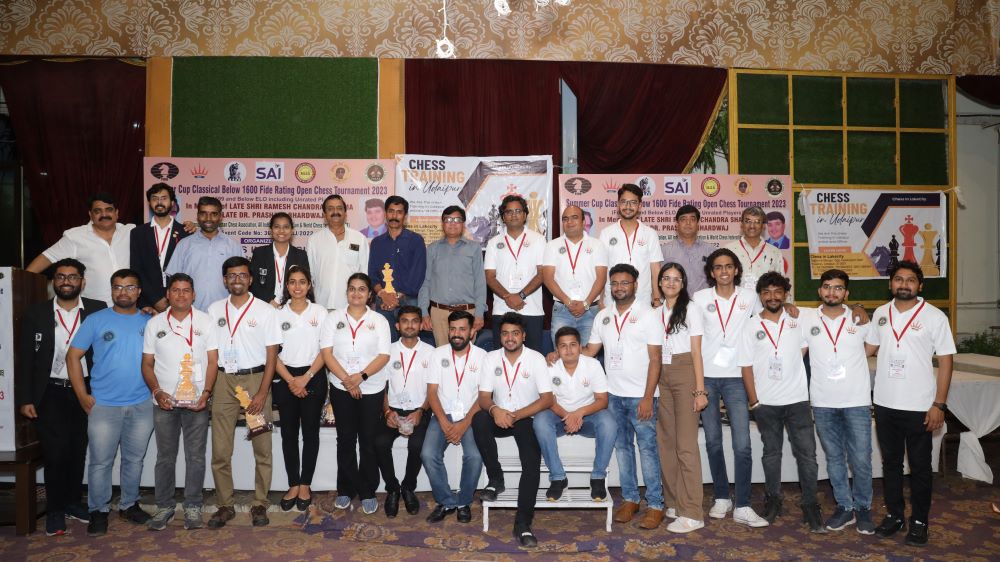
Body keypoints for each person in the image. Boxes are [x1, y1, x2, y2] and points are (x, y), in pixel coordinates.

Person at [864, 261, 955, 547]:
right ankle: (894, 515)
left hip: (920, 406)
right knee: (890, 464)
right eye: (899, 279)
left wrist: (939, 404)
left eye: (910, 280)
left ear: (920, 285)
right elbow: (866, 350)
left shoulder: (934, 316)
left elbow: (946, 362)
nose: (904, 284)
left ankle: (919, 521)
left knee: (920, 467)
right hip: (885, 403)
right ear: (890, 283)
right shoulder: (881, 313)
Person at [15, 258, 105, 536]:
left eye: (73, 277)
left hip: (86, 391)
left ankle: (72, 503)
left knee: (78, 449)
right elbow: (25, 358)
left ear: (82, 282)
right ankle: (55, 510)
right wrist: (25, 398)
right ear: (53, 281)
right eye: (61, 276)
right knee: (55, 452)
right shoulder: (37, 313)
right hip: (50, 391)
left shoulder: (97, 309)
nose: (67, 281)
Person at [65, 269, 154, 536]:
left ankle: (129, 505)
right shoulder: (96, 320)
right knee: (100, 462)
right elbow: (72, 356)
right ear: (112, 290)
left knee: (134, 460)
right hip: (103, 405)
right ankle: (98, 510)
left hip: (142, 403)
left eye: (130, 287)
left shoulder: (151, 321)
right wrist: (82, 395)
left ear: (139, 291)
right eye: (118, 287)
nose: (123, 292)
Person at [738, 272, 825, 533]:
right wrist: (754, 402)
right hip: (766, 403)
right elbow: (745, 366)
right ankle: (773, 499)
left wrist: (858, 307)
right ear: (760, 296)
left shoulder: (798, 319)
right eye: (766, 292)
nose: (772, 297)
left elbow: (831, 308)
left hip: (798, 401)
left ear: (786, 294)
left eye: (778, 292)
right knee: (771, 454)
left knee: (807, 455)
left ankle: (810, 504)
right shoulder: (751, 326)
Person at [692, 248, 768, 527]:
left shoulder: (750, 297)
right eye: (718, 267)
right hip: (707, 378)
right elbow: (692, 337)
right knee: (713, 441)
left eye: (728, 266)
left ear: (736, 270)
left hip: (737, 377)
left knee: (742, 444)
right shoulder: (700, 298)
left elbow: (767, 321)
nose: (723, 271)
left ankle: (743, 505)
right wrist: (698, 385)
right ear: (711, 273)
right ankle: (722, 496)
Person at [585, 264, 665, 529]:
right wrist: (560, 355)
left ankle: (655, 504)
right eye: (615, 283)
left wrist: (648, 396)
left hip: (641, 396)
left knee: (647, 449)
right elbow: (590, 351)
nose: (619, 287)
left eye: (625, 283)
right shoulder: (603, 316)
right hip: (613, 396)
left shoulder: (649, 315)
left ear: (636, 285)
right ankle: (631, 499)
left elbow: (656, 359)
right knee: (622, 448)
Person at [205, 256, 282, 528]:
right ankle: (225, 505)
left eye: (242, 275)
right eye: (232, 275)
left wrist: (262, 392)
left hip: (256, 380)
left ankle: (260, 503)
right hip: (224, 381)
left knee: (262, 448)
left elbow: (272, 356)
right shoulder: (214, 310)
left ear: (250, 279)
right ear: (224, 280)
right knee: (220, 450)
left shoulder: (266, 311)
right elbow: (211, 353)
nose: (237, 280)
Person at [140, 273, 219, 531]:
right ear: (168, 294)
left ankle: (193, 506)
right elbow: (147, 364)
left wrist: (206, 393)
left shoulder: (206, 322)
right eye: (175, 290)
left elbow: (213, 361)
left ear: (194, 295)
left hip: (197, 402)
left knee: (195, 457)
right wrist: (156, 392)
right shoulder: (155, 324)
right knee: (165, 457)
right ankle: (164, 506)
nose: (181, 295)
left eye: (186, 290)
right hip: (165, 402)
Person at [800, 269, 875, 534]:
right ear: (820, 290)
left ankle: (863, 508)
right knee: (834, 458)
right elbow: (796, 346)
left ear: (846, 293)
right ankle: (845, 506)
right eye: (827, 287)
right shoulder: (807, 318)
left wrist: (859, 307)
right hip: (822, 401)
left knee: (861, 458)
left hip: (856, 400)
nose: (832, 292)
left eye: (838, 288)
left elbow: (870, 349)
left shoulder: (860, 320)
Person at [473, 312, 553, 547]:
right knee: (479, 419)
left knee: (531, 463)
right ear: (500, 336)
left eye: (515, 333)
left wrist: (516, 415)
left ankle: (523, 524)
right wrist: (495, 410)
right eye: (505, 333)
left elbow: (547, 399)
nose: (510, 338)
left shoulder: (536, 359)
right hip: (499, 416)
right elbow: (483, 397)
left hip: (525, 417)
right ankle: (496, 478)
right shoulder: (491, 358)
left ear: (524, 336)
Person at [320, 273, 391, 514]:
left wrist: (360, 377)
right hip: (341, 387)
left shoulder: (379, 320)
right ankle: (345, 489)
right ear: (346, 292)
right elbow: (327, 353)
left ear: (370, 294)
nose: (356, 293)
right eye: (352, 288)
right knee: (346, 439)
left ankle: (368, 490)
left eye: (362, 289)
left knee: (368, 441)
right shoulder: (333, 318)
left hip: (371, 387)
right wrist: (348, 381)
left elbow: (384, 355)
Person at [654, 263, 708, 533]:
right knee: (667, 443)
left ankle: (693, 512)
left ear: (683, 283)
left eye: (677, 279)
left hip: (685, 370)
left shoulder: (691, 309)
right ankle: (675, 502)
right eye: (666, 278)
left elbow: (697, 352)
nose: (671, 283)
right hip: (662, 374)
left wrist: (700, 390)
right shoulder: (656, 312)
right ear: (659, 282)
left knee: (686, 446)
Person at [534, 327, 617, 502]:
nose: (569, 350)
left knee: (609, 422)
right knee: (540, 421)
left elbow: (602, 400)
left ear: (580, 347)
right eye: (563, 346)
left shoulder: (593, 365)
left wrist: (579, 413)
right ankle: (558, 478)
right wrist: (568, 416)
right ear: (557, 349)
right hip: (559, 417)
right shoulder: (549, 367)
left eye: (573, 345)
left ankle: (598, 477)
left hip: (587, 417)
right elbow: (548, 401)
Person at [420, 311, 487, 525]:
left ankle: (464, 502)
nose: (457, 334)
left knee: (474, 456)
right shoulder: (437, 354)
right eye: (453, 329)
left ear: (472, 331)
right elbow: (432, 393)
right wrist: (443, 421)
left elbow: (484, 396)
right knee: (428, 454)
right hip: (442, 413)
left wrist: (464, 424)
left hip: (472, 415)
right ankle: (446, 501)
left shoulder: (483, 357)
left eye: (462, 329)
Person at [273, 266, 328, 512]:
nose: (297, 287)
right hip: (285, 377)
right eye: (293, 282)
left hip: (313, 376)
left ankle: (305, 484)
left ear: (309, 285)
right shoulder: (277, 314)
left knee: (310, 433)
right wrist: (291, 380)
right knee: (288, 434)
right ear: (287, 286)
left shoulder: (320, 312)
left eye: (302, 282)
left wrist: (305, 378)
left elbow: (326, 350)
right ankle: (293, 483)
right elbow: (271, 353)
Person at [374, 305, 435, 517]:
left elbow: (433, 389)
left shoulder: (431, 352)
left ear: (421, 325)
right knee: (380, 443)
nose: (410, 325)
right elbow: (381, 386)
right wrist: (387, 412)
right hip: (393, 409)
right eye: (405, 321)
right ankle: (392, 488)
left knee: (417, 445)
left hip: (419, 409)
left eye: (414, 321)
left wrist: (421, 411)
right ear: (397, 326)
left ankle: (408, 487)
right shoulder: (387, 351)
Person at [27, 193, 134, 305]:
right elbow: (47, 257)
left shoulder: (131, 232)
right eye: (97, 211)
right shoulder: (75, 237)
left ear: (117, 213)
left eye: (109, 210)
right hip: (94, 308)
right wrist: (21, 281)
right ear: (90, 215)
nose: (104, 214)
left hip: (130, 306)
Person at [484, 194, 546, 353]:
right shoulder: (493, 243)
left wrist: (521, 295)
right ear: (503, 217)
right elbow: (490, 277)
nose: (514, 215)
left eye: (518, 211)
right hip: (502, 310)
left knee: (533, 359)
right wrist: (508, 297)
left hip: (531, 310)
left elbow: (542, 274)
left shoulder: (538, 240)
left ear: (525, 215)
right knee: (502, 358)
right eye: (509, 212)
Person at [418, 206, 487, 346]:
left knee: (466, 355)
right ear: (442, 223)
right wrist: (424, 312)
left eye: (457, 220)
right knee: (442, 355)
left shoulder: (474, 248)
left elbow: (480, 282)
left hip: (467, 312)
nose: (452, 223)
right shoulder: (432, 248)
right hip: (439, 314)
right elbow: (426, 282)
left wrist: (479, 314)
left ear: (463, 224)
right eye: (448, 220)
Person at [542, 205, 609, 346]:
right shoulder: (552, 245)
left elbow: (601, 278)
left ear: (584, 222)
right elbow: (548, 278)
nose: (569, 222)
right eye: (565, 219)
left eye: (574, 218)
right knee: (562, 353)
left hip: (590, 310)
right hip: (562, 310)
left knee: (588, 355)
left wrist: (585, 304)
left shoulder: (597, 245)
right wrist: (568, 302)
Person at [166, 196, 244, 311]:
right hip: (191, 312)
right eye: (203, 213)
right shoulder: (184, 245)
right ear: (197, 216)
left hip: (225, 312)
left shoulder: (233, 246)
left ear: (221, 217)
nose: (208, 218)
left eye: (214, 214)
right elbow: (174, 281)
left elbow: (242, 281)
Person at [368, 196, 427, 340]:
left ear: (405, 216)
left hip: (409, 301)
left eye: (399, 212)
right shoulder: (376, 243)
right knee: (386, 344)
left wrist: (395, 298)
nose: (394, 216)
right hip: (383, 302)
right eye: (391, 211)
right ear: (385, 214)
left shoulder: (416, 241)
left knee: (410, 344)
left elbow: (418, 276)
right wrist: (384, 295)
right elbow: (372, 275)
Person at [599, 184, 664, 307]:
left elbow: (655, 269)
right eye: (624, 202)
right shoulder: (606, 233)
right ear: (618, 205)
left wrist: (656, 299)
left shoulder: (650, 234)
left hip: (643, 302)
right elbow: (602, 270)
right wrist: (601, 301)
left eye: (633, 202)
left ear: (640, 206)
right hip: (612, 302)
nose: (628, 206)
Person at [130, 183, 191, 313]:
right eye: (155, 198)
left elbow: (189, 270)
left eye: (164, 198)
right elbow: (136, 269)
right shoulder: (138, 233)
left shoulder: (185, 232)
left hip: (179, 300)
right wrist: (155, 299)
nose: (159, 202)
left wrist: (171, 298)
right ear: (149, 203)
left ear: (172, 203)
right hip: (147, 304)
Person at [307, 194, 370, 311]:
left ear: (345, 213)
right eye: (330, 209)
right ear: (324, 214)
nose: (335, 212)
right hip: (321, 307)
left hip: (351, 307)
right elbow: (310, 275)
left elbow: (364, 273)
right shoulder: (314, 240)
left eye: (339, 208)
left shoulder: (359, 239)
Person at [249, 212, 309, 306]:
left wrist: (289, 304)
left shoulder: (301, 255)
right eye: (277, 227)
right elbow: (253, 282)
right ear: (271, 230)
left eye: (286, 227)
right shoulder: (259, 253)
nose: (281, 231)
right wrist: (269, 300)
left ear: (292, 230)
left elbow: (304, 284)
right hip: (264, 305)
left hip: (291, 306)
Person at [724, 206, 783, 292]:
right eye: (748, 221)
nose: (752, 226)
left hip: (764, 300)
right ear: (741, 224)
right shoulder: (728, 250)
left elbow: (781, 284)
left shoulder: (775, 252)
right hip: (735, 299)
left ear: (763, 226)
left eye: (757, 222)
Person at [661, 204, 715, 294]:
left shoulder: (711, 250)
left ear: (698, 224)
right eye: (683, 219)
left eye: (692, 219)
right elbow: (658, 279)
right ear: (677, 224)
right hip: (675, 301)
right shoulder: (664, 251)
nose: (688, 223)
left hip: (704, 301)